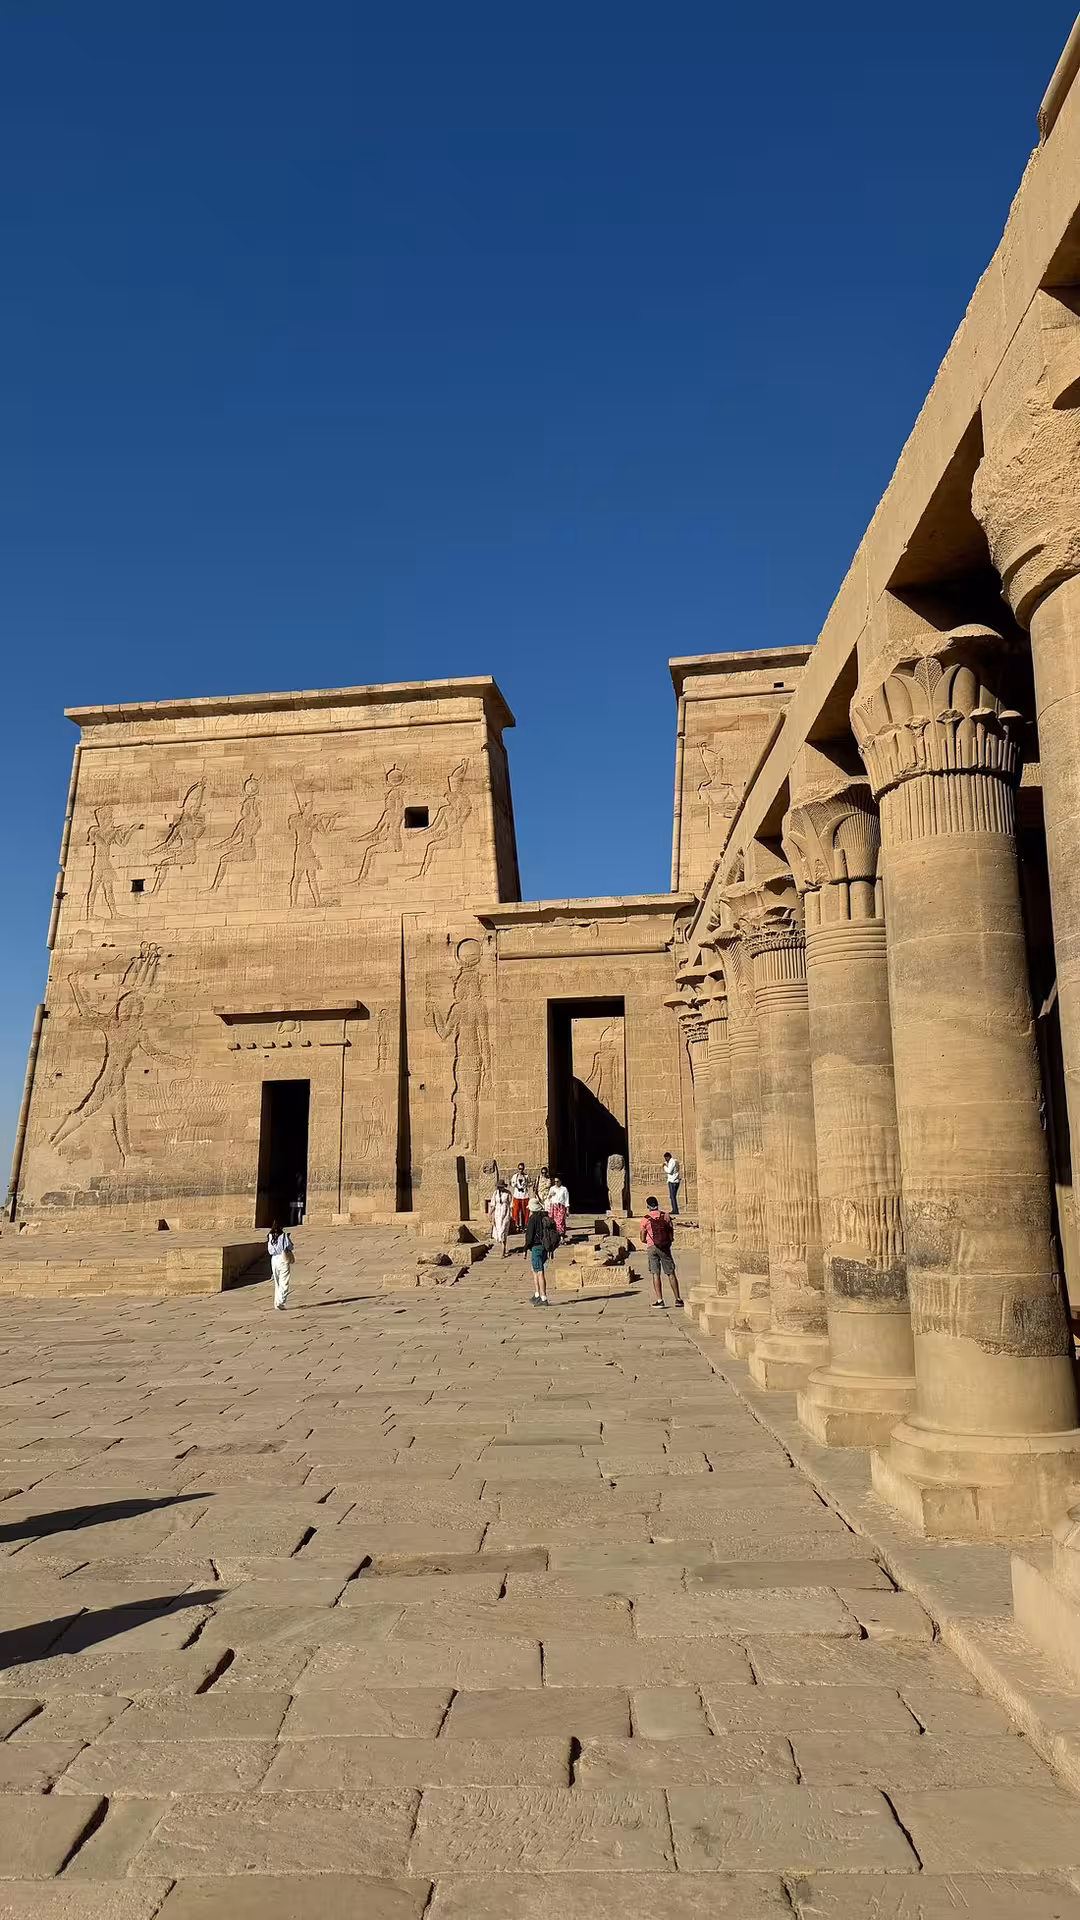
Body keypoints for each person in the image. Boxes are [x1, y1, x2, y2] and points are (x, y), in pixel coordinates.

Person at [641, 1197, 683, 1308]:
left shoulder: (645, 1219)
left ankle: (660, 1300)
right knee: (670, 1273)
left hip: (652, 1246)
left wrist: (647, 1241)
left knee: (656, 1273)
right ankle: (678, 1299)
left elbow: (642, 1237)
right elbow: (671, 1231)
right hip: (664, 1246)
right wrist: (668, 1241)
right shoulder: (666, 1216)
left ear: (648, 1206)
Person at [524, 1196, 558, 1304]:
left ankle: (543, 1297)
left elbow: (530, 1235)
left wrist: (526, 1248)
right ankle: (537, 1294)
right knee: (535, 1270)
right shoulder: (545, 1216)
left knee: (539, 1272)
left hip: (536, 1247)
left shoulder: (533, 1218)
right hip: (544, 1247)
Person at [267, 1222, 294, 1310]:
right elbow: (290, 1246)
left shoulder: (270, 1236)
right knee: (284, 1281)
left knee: (277, 1282)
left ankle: (276, 1302)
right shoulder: (284, 1236)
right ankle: (281, 1302)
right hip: (282, 1257)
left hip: (274, 1259)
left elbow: (269, 1249)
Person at [487, 1178, 512, 1257]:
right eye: (499, 1187)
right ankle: (502, 1248)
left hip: (505, 1213)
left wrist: (511, 1214)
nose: (500, 1188)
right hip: (497, 1214)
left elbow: (511, 1204)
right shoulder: (495, 1193)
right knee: (499, 1232)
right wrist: (490, 1213)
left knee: (503, 1231)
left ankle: (503, 1251)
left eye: (501, 1187)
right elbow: (493, 1204)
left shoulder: (508, 1193)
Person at [510, 1163, 530, 1232]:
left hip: (524, 1196)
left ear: (524, 1169)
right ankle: (517, 1225)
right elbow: (512, 1184)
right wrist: (515, 1185)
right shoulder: (515, 1176)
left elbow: (530, 1184)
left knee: (525, 1212)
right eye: (519, 1169)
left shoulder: (526, 1176)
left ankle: (524, 1225)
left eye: (522, 1169)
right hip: (517, 1196)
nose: (521, 1170)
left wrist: (526, 1184)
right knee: (516, 1211)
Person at [662, 1150, 681, 1216]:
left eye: (665, 1158)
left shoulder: (671, 1162)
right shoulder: (675, 1161)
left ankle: (675, 1210)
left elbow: (669, 1171)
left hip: (672, 1181)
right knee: (673, 1196)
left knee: (672, 1196)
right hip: (676, 1180)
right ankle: (675, 1209)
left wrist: (664, 1166)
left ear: (667, 1157)